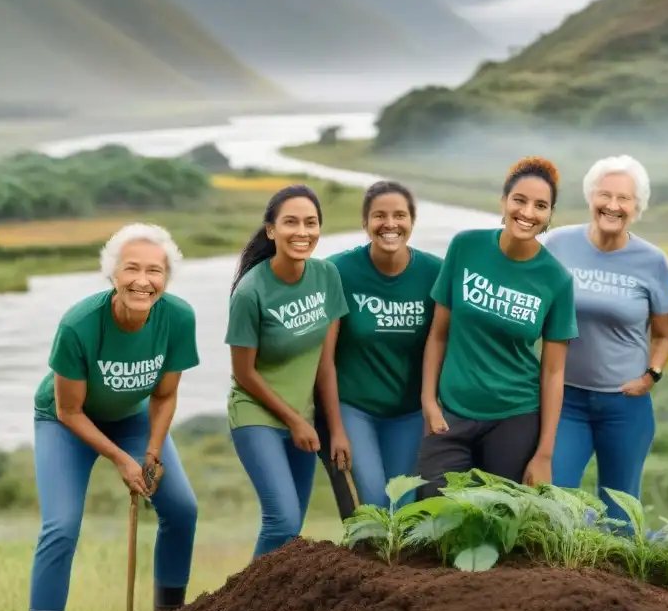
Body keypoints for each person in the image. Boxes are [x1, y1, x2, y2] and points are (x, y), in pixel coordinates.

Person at [29, 224, 200, 611]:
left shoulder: (178, 317)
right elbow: (70, 410)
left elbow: (164, 394)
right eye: (131, 269)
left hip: (132, 417)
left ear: (166, 278)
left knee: (181, 510)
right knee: (62, 526)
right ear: (113, 275)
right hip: (64, 421)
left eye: (154, 271)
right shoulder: (79, 325)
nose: (143, 281)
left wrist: (152, 449)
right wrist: (121, 460)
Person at [416, 157, 578, 498]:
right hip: (452, 414)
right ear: (504, 202)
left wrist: (544, 452)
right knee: (431, 515)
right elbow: (439, 333)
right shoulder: (466, 247)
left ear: (550, 215)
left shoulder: (557, 280)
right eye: (519, 200)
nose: (528, 212)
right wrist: (429, 401)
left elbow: (552, 372)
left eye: (541, 206)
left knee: (500, 529)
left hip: (515, 417)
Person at [543, 155, 668, 534]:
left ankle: (617, 584)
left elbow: (663, 336)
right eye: (605, 195)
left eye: (625, 199)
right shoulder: (559, 244)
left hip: (625, 404)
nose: (613, 206)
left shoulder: (652, 261)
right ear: (591, 197)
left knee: (620, 522)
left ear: (637, 207)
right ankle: (564, 584)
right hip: (566, 399)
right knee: (557, 506)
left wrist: (651, 376)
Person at [225, 184, 350, 559]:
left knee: (293, 526)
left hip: (305, 419)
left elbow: (325, 363)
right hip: (256, 415)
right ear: (271, 230)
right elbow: (244, 374)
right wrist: (294, 420)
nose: (302, 232)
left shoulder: (326, 276)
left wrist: (336, 429)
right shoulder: (250, 293)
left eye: (311, 223)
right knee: (281, 520)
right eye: (291, 222)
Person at [323, 181, 442, 509]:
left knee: (402, 509)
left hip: (409, 412)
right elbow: (325, 359)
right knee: (373, 502)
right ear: (365, 223)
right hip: (354, 408)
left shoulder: (435, 273)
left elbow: (446, 344)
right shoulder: (338, 271)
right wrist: (334, 427)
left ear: (412, 222)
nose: (390, 224)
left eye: (399, 215)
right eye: (379, 216)